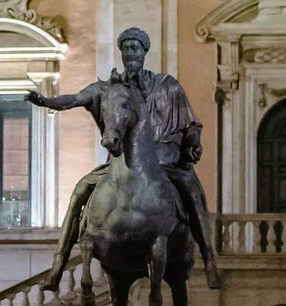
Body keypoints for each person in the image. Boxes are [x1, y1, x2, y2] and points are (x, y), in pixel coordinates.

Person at [28, 28, 220, 289]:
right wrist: (46, 101)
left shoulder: (167, 86)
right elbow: (75, 99)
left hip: (166, 161)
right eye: (126, 48)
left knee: (193, 193)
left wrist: (194, 142)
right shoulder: (109, 89)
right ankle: (58, 266)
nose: (130, 53)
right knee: (79, 192)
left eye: (135, 48)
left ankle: (209, 259)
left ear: (144, 52)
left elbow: (191, 124)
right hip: (120, 164)